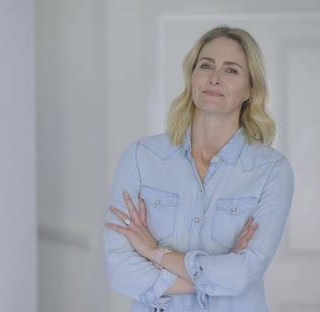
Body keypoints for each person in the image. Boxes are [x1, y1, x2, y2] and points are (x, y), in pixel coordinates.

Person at [103, 25, 294, 312]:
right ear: (192, 77)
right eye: (206, 66)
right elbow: (120, 269)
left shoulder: (272, 171)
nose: (214, 78)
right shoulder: (141, 158)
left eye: (231, 70)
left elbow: (244, 273)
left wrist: (155, 253)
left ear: (250, 89)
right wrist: (214, 274)